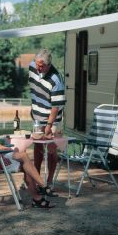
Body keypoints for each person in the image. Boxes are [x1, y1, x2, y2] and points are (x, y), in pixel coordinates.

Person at [29, 49, 66, 195]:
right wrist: (32, 107)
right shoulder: (33, 66)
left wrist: (49, 126)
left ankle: (49, 182)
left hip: (52, 119)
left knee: (51, 149)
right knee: (37, 148)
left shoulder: (56, 79)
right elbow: (33, 88)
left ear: (49, 65)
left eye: (42, 66)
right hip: (37, 117)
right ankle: (37, 179)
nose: (38, 68)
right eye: (37, 64)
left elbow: (56, 106)